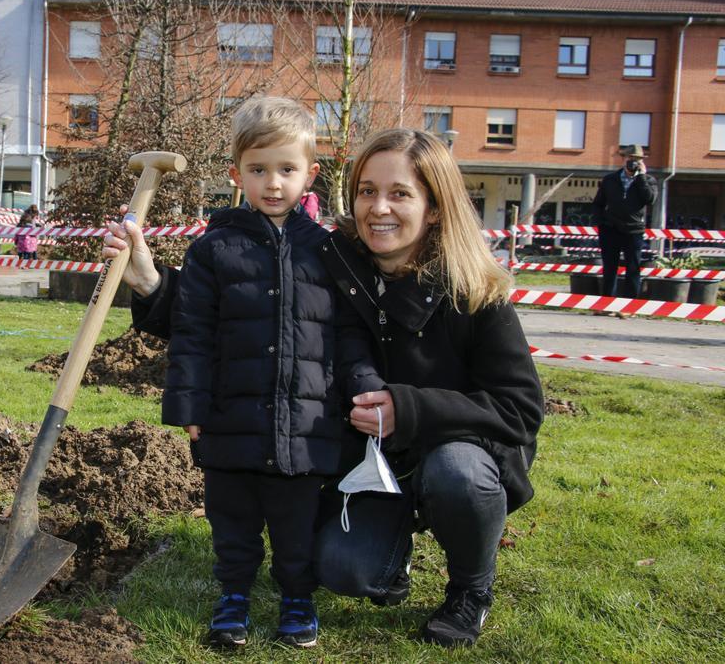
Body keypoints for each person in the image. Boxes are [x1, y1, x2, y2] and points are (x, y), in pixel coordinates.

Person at [104, 127, 544, 648]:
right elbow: (249, 313)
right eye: (367, 191)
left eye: (400, 193)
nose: (379, 207)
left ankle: (471, 590)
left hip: (454, 452)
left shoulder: (474, 291)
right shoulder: (337, 260)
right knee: (341, 570)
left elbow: (519, 408)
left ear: (435, 207)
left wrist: (410, 409)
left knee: (457, 473)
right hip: (367, 461)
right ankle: (388, 556)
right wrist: (153, 283)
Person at [162, 97, 385, 650]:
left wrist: (363, 390)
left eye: (286, 169)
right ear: (237, 175)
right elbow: (192, 333)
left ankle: (296, 598)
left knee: (297, 526)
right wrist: (189, 407)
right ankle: (233, 596)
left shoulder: (331, 252)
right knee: (232, 522)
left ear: (310, 172)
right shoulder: (212, 250)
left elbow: (349, 334)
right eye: (258, 170)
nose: (273, 183)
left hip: (309, 422)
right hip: (230, 418)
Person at [592, 144, 657, 298]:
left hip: (634, 230)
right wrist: (600, 223)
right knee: (609, 268)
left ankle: (630, 305)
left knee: (633, 268)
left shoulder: (648, 180)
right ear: (623, 159)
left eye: (637, 159)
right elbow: (598, 203)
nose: (633, 162)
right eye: (630, 158)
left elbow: (650, 199)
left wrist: (641, 176)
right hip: (610, 229)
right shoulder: (610, 180)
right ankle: (607, 303)